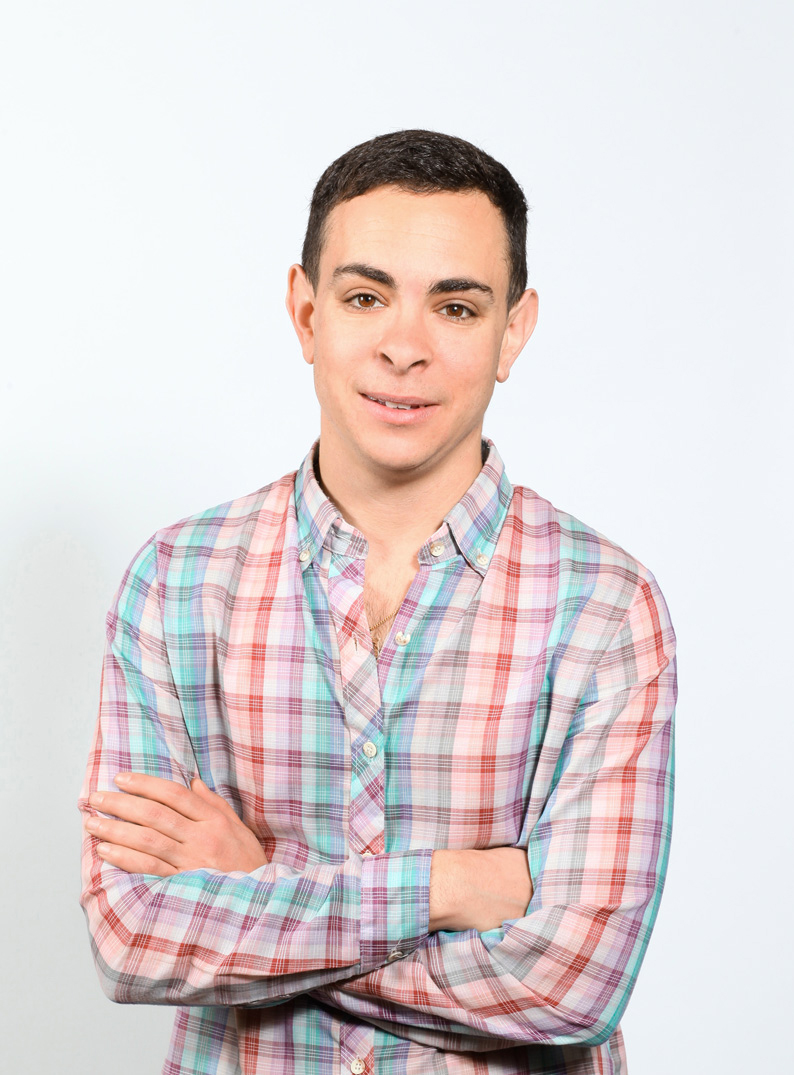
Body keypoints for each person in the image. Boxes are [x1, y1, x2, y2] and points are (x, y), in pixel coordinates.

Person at [78, 129, 677, 1075]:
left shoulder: (604, 607)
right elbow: (134, 934)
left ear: (513, 331)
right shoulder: (178, 582)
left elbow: (574, 985)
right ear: (306, 313)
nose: (405, 347)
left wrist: (255, 885)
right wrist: (450, 888)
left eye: (456, 305)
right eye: (366, 297)